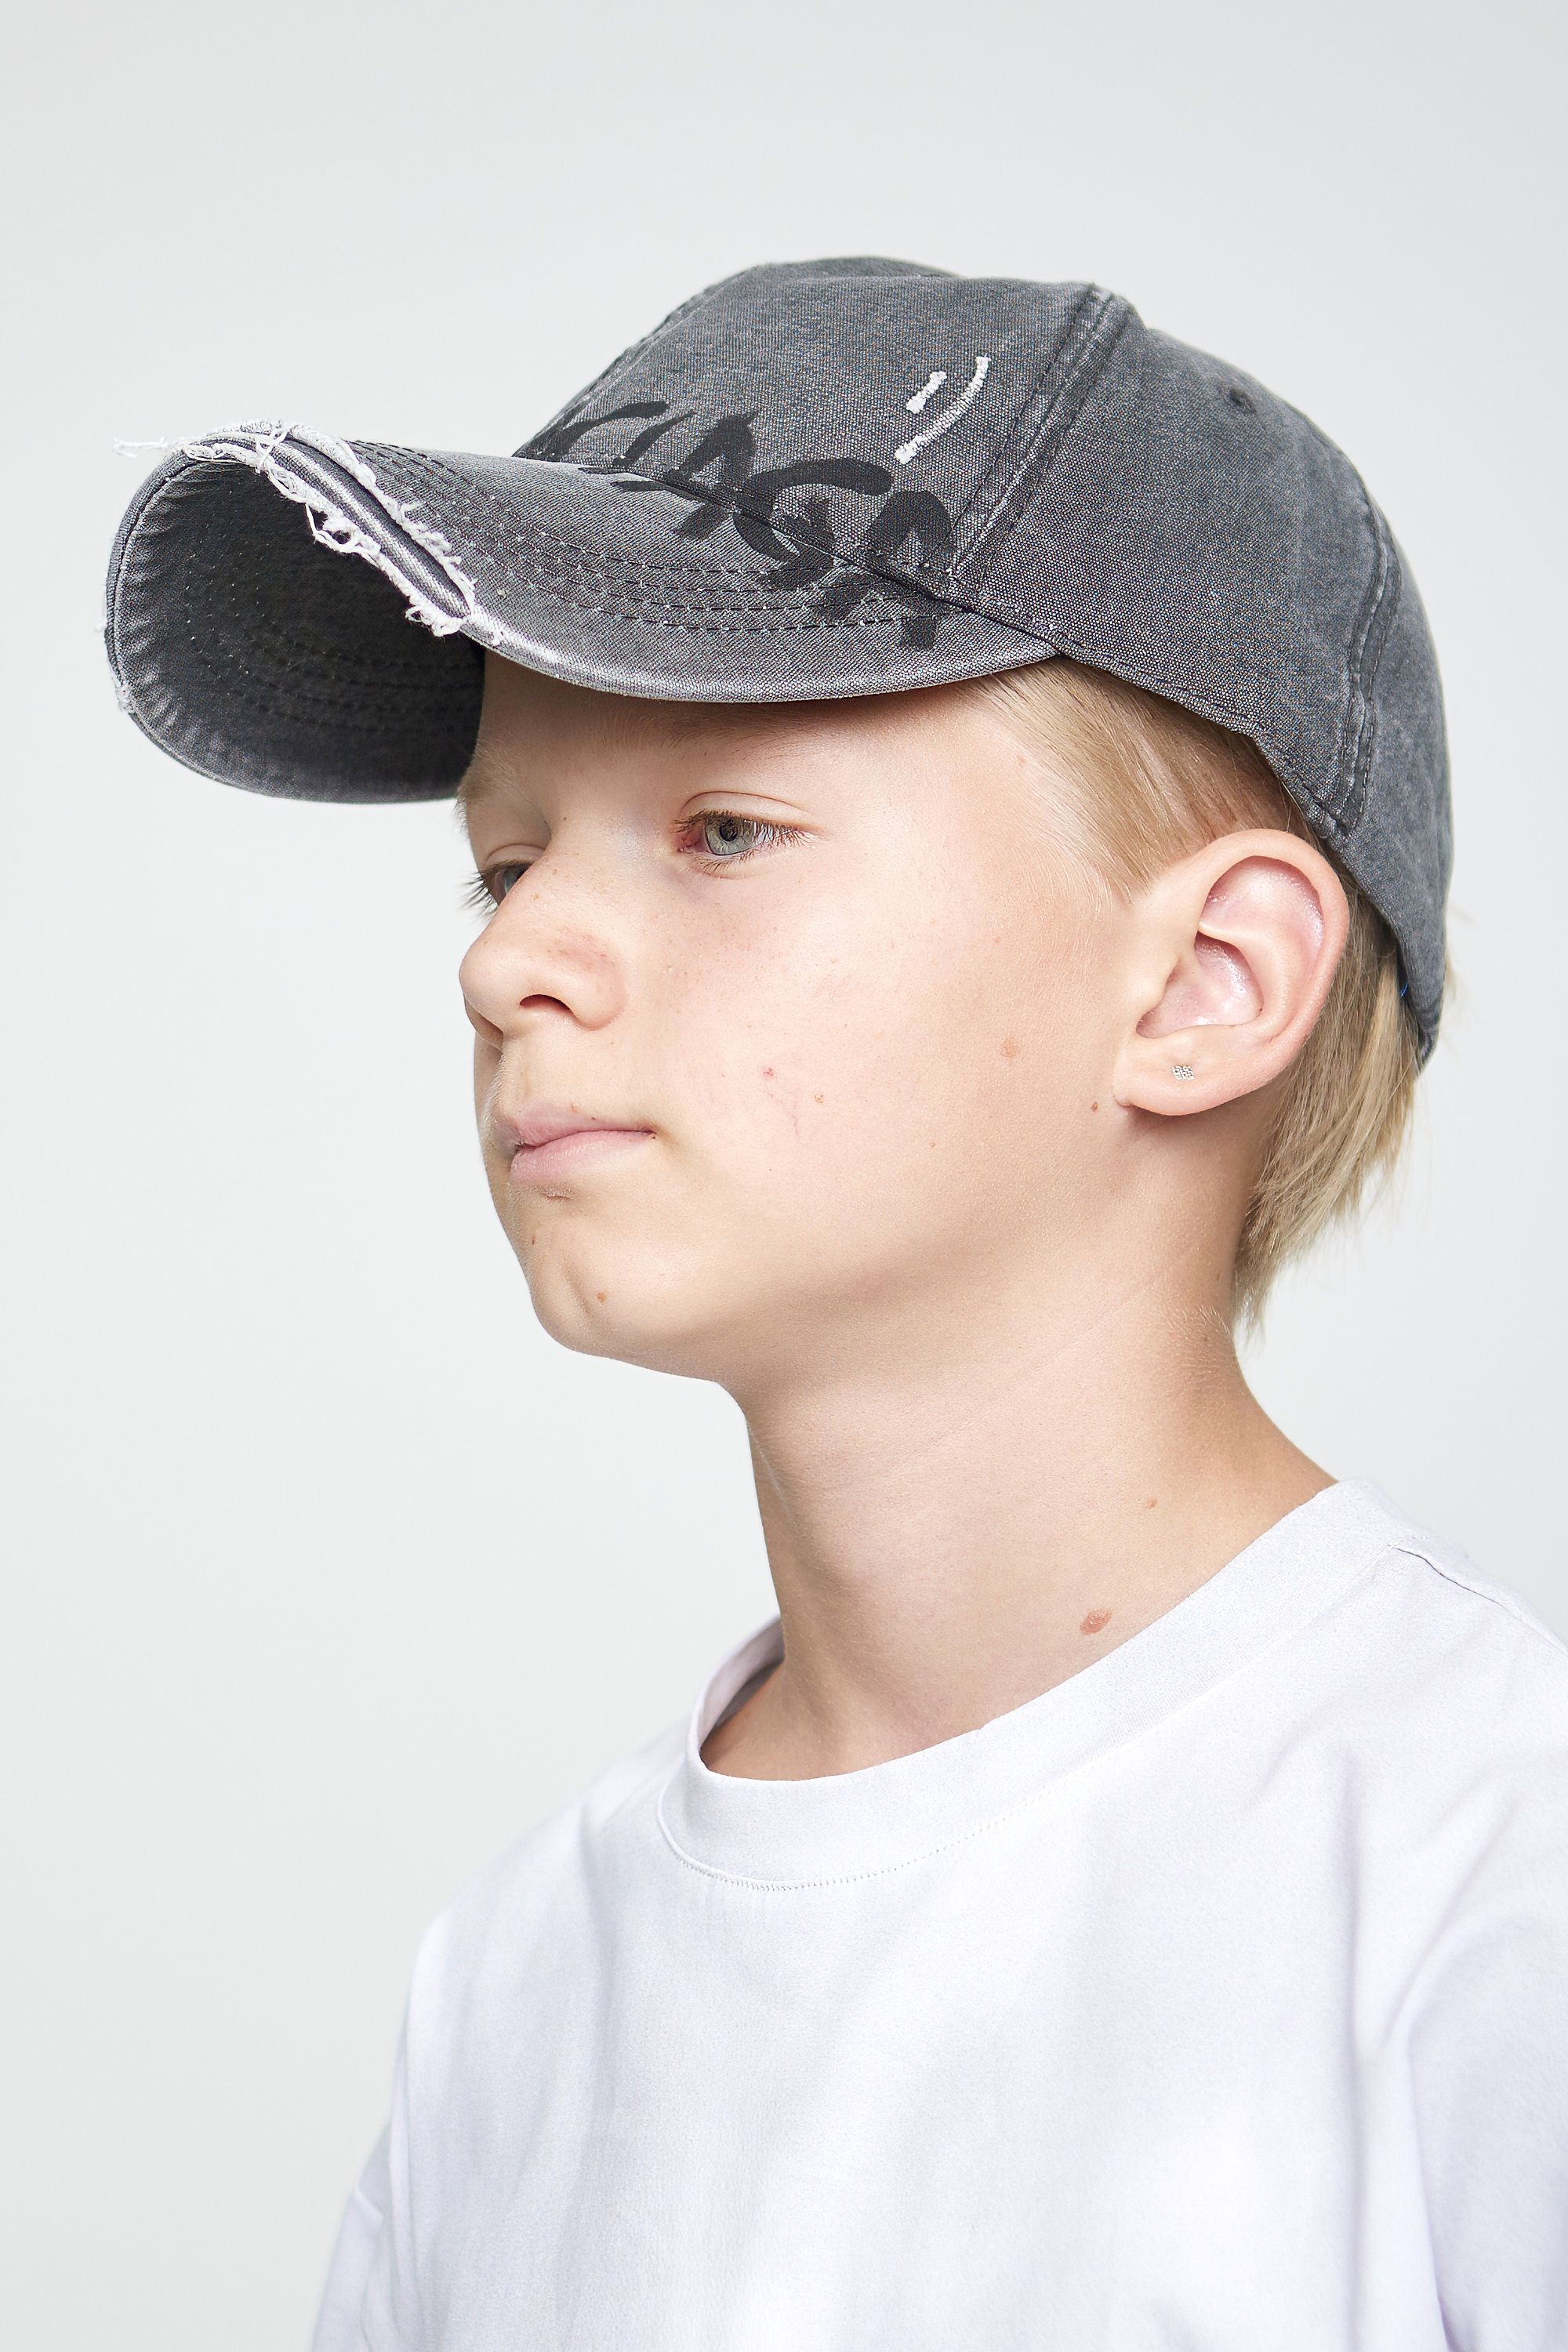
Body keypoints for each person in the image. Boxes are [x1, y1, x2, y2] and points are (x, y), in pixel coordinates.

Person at [106, 260, 1567, 2350]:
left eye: (721, 830)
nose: (506, 964)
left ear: (1204, 983)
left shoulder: (1492, 1890)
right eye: (507, 864)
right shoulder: (518, 1991)